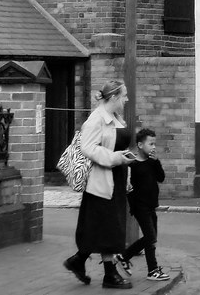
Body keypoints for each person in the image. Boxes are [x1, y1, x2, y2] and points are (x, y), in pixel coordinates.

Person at [63, 79, 136, 289]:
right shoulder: (96, 120)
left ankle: (79, 261)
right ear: (113, 97)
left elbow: (119, 144)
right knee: (108, 227)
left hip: (117, 178)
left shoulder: (114, 116)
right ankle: (109, 274)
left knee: (103, 227)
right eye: (124, 95)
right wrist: (116, 158)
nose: (127, 99)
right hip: (102, 180)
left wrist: (125, 163)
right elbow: (88, 148)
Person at [116, 128, 170, 282]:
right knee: (150, 237)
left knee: (151, 238)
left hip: (151, 206)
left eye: (155, 144)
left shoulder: (152, 163)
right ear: (140, 145)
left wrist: (157, 162)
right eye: (150, 144)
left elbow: (161, 178)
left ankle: (150, 269)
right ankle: (127, 258)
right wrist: (133, 206)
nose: (153, 147)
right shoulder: (132, 165)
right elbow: (129, 189)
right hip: (140, 207)